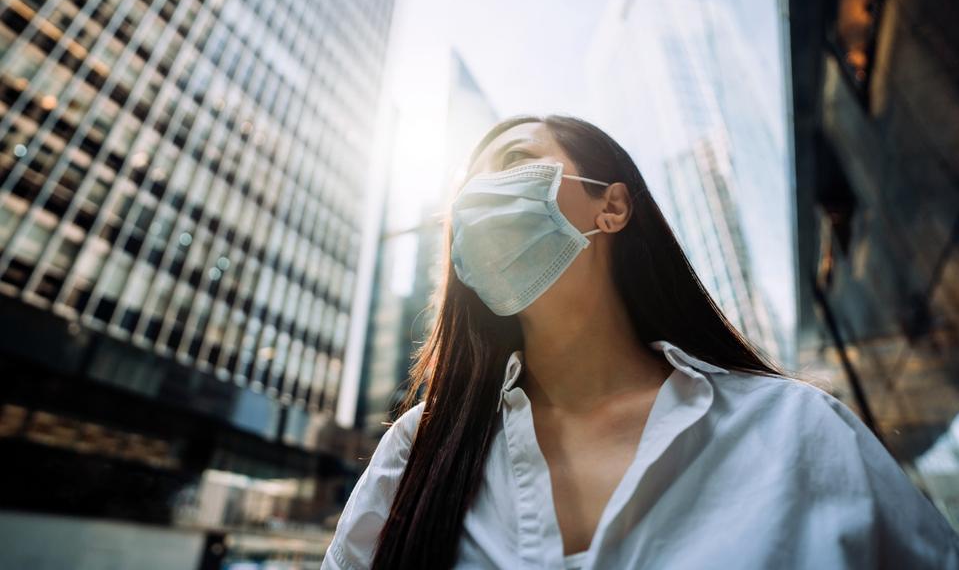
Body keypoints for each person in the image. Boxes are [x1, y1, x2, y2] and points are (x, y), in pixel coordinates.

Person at [321, 115, 959, 569]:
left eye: (514, 161)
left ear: (612, 207)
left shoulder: (796, 429)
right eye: (469, 187)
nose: (482, 197)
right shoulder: (416, 448)